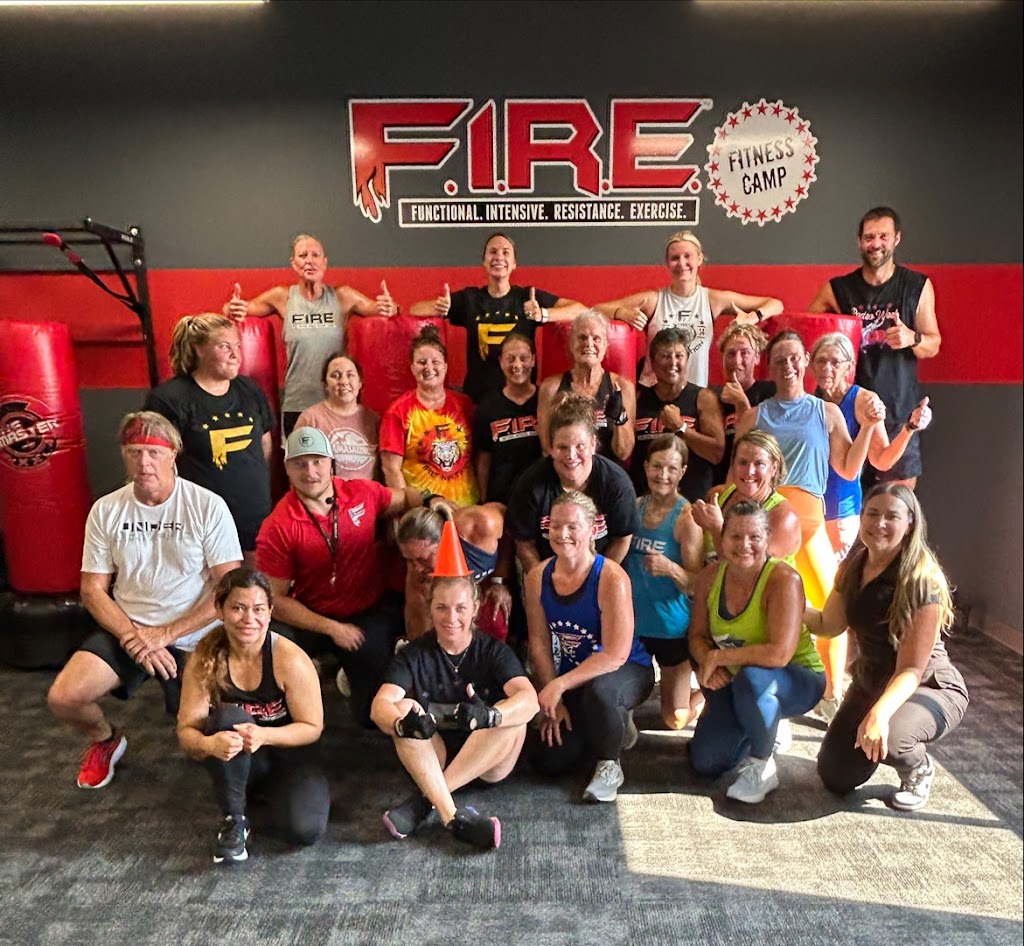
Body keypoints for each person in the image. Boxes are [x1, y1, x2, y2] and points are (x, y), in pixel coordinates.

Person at [47, 411, 243, 789]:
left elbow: (228, 587)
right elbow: (92, 590)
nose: (144, 463)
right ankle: (105, 740)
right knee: (64, 697)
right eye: (134, 452)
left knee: (207, 737)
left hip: (194, 633)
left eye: (154, 453)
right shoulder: (106, 509)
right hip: (129, 629)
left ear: (173, 455)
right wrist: (134, 636)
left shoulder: (207, 505)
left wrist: (166, 634)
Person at [809, 485, 968, 812]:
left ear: (909, 524)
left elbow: (910, 670)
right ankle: (881, 735)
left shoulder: (922, 580)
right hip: (871, 681)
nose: (879, 523)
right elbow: (828, 624)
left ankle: (917, 767)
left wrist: (878, 715)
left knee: (893, 737)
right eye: (872, 513)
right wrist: (788, 601)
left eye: (892, 516)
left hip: (927, 686)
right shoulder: (854, 565)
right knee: (835, 775)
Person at [255, 426, 424, 726]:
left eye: (317, 461)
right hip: (313, 613)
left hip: (367, 609)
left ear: (331, 463)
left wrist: (433, 502)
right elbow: (275, 601)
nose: (310, 472)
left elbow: (408, 497)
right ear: (287, 468)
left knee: (371, 718)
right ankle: (296, 713)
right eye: (300, 464)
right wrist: (333, 628)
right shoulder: (277, 525)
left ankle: (347, 671)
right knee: (272, 642)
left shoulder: (361, 492)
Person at [371, 571, 538, 849]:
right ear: (430, 608)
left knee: (511, 716)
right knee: (402, 708)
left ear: (475, 608)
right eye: (441, 607)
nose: (451, 618)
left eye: (460, 608)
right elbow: (380, 706)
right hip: (434, 759)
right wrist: (402, 724)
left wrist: (490, 716)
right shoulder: (413, 654)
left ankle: (426, 801)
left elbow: (530, 700)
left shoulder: (494, 651)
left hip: (487, 763)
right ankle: (453, 818)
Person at [177, 566, 329, 864]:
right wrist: (209, 744)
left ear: (270, 612)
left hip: (290, 757)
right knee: (228, 718)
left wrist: (264, 735)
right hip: (239, 756)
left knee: (305, 830)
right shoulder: (204, 658)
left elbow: (313, 727)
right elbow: (186, 731)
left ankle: (252, 801)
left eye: (258, 609)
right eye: (238, 608)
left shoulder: (290, 659)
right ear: (220, 610)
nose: (249, 619)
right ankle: (234, 819)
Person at [687, 501, 826, 804]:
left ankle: (763, 764)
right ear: (722, 538)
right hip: (737, 680)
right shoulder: (710, 577)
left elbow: (779, 654)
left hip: (797, 678)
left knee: (753, 680)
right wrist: (706, 658)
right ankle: (761, 723)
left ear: (768, 540)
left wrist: (718, 657)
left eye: (754, 537)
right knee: (706, 763)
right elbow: (696, 636)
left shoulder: (784, 579)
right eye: (735, 536)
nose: (744, 545)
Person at [734, 330, 882, 611]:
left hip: (810, 524)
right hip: (764, 523)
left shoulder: (827, 412)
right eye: (780, 361)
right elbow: (736, 479)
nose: (788, 366)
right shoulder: (753, 417)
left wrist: (868, 427)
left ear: (805, 360)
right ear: (770, 368)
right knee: (764, 607)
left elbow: (849, 470)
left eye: (793, 358)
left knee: (831, 610)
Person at [525, 491, 653, 803]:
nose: (562, 534)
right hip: (575, 676)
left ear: (592, 529)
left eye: (572, 526)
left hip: (626, 669)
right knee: (548, 760)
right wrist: (554, 699)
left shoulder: (611, 577)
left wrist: (559, 685)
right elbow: (539, 642)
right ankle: (607, 727)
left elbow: (614, 654)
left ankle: (610, 764)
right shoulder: (537, 576)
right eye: (556, 526)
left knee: (601, 692)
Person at [807, 207, 941, 489]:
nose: (876, 244)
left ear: (896, 239)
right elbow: (808, 332)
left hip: (898, 410)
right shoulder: (838, 289)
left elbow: (933, 344)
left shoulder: (916, 286)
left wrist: (912, 338)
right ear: (859, 242)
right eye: (869, 237)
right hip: (848, 410)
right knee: (844, 500)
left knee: (897, 504)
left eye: (883, 236)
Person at [224, 234, 395, 436]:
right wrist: (232, 308)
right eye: (303, 255)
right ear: (294, 263)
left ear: (324, 262)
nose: (309, 261)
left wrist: (389, 306)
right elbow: (240, 308)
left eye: (315, 255)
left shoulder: (343, 297)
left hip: (337, 402)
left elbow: (382, 308)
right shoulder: (282, 297)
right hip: (297, 402)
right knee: (298, 457)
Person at [144, 313, 274, 560]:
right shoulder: (170, 399)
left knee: (250, 581)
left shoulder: (249, 390)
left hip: (253, 515)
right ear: (199, 349)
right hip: (199, 521)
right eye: (224, 347)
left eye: (237, 346)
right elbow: (156, 463)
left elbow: (264, 445)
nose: (235, 354)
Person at [410, 231, 587, 400]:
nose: (499, 257)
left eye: (505, 252)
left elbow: (580, 310)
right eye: (493, 252)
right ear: (484, 262)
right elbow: (415, 309)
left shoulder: (527, 297)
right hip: (478, 400)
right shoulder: (470, 299)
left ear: (514, 263)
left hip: (522, 401)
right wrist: (439, 307)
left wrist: (544, 314)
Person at [594, 230, 783, 387]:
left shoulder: (712, 300)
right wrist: (621, 313)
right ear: (667, 263)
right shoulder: (653, 300)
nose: (682, 263)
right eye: (675, 258)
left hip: (694, 394)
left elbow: (776, 304)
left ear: (699, 258)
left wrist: (754, 316)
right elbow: (595, 310)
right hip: (654, 393)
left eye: (687, 256)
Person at [623, 435, 705, 730]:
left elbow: (696, 584)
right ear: (646, 467)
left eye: (672, 468)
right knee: (616, 697)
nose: (663, 475)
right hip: (634, 626)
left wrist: (671, 569)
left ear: (683, 472)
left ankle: (708, 695)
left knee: (675, 719)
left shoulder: (687, 518)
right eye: (657, 466)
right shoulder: (634, 507)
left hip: (672, 628)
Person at [507, 394, 639, 575]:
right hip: (548, 570)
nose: (571, 455)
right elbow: (524, 544)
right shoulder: (530, 484)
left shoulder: (616, 483)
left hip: (602, 571)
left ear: (593, 445)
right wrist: (542, 581)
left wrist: (596, 579)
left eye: (580, 446)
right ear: (551, 448)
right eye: (562, 447)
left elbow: (622, 539)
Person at [380, 324, 479, 507]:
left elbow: (481, 456)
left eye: (435, 362)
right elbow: (391, 469)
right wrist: (407, 510)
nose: (429, 367)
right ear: (412, 367)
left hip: (467, 507)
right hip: (423, 510)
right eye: (422, 362)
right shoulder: (398, 411)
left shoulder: (465, 405)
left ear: (445, 366)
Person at [630, 327, 725, 502]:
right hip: (645, 502)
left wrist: (681, 428)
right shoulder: (638, 398)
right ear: (652, 362)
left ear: (687, 360)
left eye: (679, 356)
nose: (673, 362)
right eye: (665, 356)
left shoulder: (703, 398)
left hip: (691, 502)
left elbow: (716, 453)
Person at [397, 502, 511, 643]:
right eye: (409, 560)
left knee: (496, 620)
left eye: (423, 559)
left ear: (443, 540)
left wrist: (499, 579)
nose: (417, 568)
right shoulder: (417, 571)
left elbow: (509, 522)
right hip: (453, 594)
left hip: (483, 583)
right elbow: (417, 620)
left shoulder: (480, 525)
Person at [537, 311, 636, 464]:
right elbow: (547, 448)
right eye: (582, 337)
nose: (589, 344)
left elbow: (623, 453)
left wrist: (619, 418)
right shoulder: (551, 388)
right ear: (571, 344)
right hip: (568, 471)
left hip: (607, 473)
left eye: (596, 338)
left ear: (605, 345)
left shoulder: (622, 387)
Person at [691, 429, 801, 565]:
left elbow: (748, 571)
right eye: (743, 462)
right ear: (733, 465)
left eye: (759, 463)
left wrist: (717, 528)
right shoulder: (717, 496)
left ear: (774, 468)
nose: (749, 471)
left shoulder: (784, 518)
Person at [473, 332, 541, 506]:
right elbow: (484, 457)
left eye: (523, 358)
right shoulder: (488, 406)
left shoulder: (545, 399)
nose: (517, 365)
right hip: (501, 499)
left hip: (540, 496)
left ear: (533, 360)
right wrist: (483, 498)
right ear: (501, 361)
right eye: (510, 359)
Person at [295, 351, 380, 481]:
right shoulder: (310, 419)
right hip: (327, 493)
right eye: (335, 376)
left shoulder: (373, 420)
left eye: (350, 375)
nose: (344, 381)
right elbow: (297, 468)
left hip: (367, 493)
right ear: (326, 385)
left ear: (360, 382)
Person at [710, 322, 776, 486]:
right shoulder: (712, 397)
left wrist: (742, 403)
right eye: (731, 353)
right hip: (721, 484)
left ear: (757, 358)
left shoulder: (770, 393)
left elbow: (767, 444)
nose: (737, 360)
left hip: (756, 483)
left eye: (745, 353)